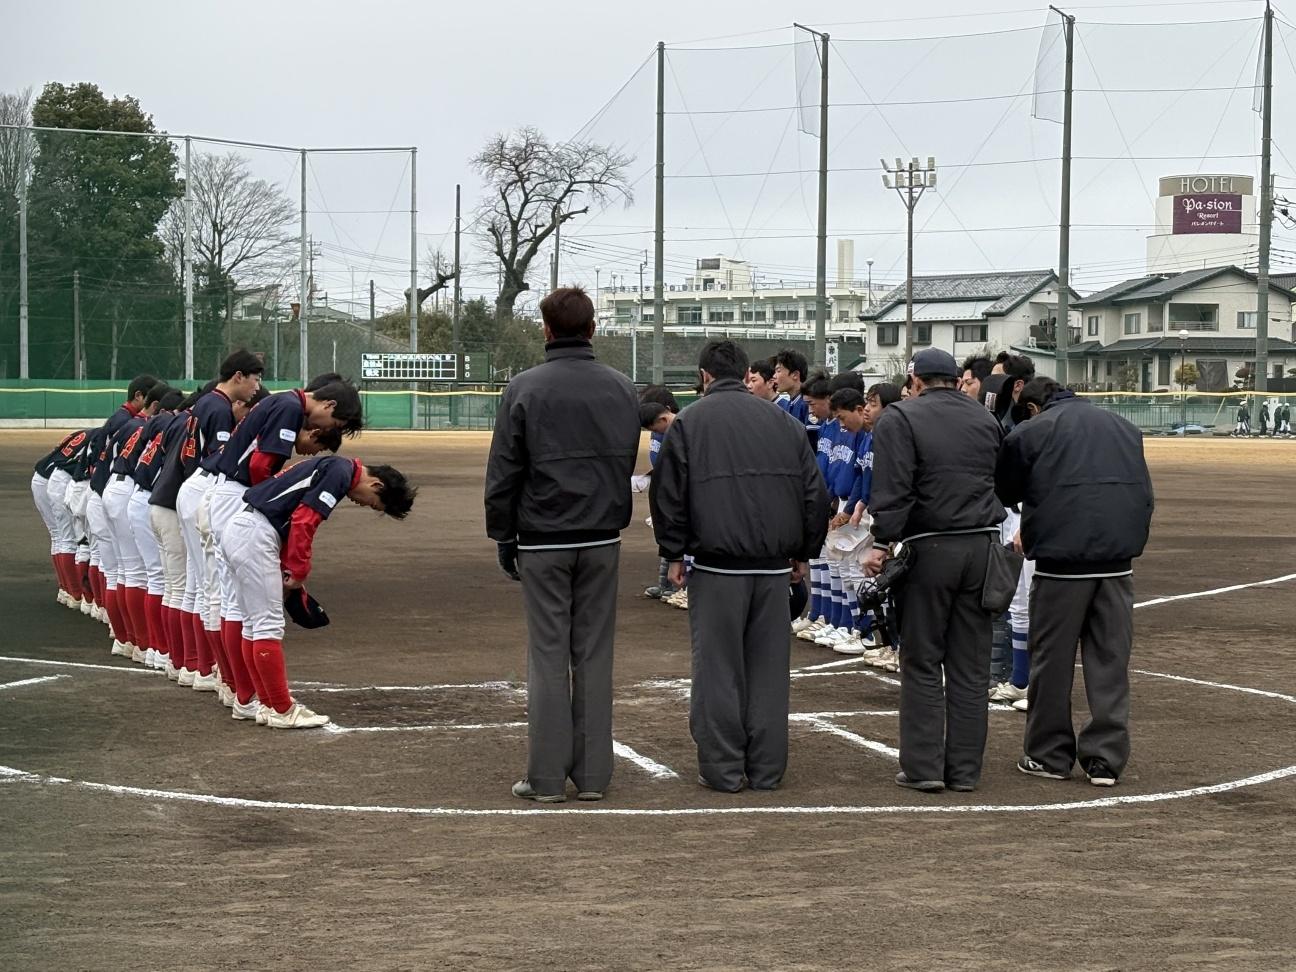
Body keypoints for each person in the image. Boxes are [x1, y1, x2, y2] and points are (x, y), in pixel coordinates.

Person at [485, 286, 640, 804]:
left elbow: (504, 470)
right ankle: (594, 776)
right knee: (594, 654)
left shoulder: (524, 388)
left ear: (546, 330)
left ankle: (547, 778)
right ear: (593, 328)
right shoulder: (621, 387)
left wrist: (504, 534)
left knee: (548, 654)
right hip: (601, 537)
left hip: (543, 538)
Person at [651, 340, 829, 793]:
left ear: (705, 376)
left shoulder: (691, 422)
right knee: (769, 671)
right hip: (772, 567)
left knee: (717, 668)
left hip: (716, 566)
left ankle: (724, 768)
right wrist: (804, 553)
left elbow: (668, 495)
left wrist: (672, 552)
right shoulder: (783, 422)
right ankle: (767, 769)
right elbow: (814, 493)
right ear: (746, 372)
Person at [996, 377, 1154, 787]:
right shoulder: (1123, 426)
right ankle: (1105, 759)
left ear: (1031, 407)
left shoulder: (1032, 430)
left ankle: (1049, 755)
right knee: (1110, 662)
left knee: (1051, 662)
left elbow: (1006, 490)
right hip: (1118, 564)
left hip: (1061, 565)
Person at [866, 348, 1005, 793]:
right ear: (955, 378)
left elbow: (893, 488)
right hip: (982, 546)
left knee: (923, 659)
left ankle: (925, 767)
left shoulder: (901, 418)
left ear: (917, 380)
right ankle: (965, 771)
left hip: (929, 547)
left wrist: (883, 543)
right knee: (970, 665)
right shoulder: (985, 418)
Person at [201, 378, 363, 709]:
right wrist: (272, 494)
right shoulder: (290, 407)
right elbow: (261, 465)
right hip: (236, 494)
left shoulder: (281, 401)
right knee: (241, 608)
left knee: (230, 601)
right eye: (336, 423)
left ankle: (237, 689)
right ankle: (246, 695)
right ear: (329, 406)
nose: (331, 428)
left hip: (224, 491)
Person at [222, 456, 415, 727]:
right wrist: (298, 570)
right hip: (256, 534)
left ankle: (264, 704)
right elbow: (304, 520)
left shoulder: (334, 466)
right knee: (266, 625)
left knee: (254, 625)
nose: (362, 504)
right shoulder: (340, 472)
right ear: (376, 483)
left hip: (244, 529)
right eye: (373, 502)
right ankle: (281, 709)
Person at [152, 351, 263, 688]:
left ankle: (190, 664)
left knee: (192, 587)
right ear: (239, 376)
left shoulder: (204, 403)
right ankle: (204, 668)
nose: (257, 386)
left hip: (184, 490)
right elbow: (221, 459)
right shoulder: (218, 408)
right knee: (211, 589)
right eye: (255, 378)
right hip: (203, 489)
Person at [773, 348, 819, 448]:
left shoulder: (807, 403)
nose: (774, 376)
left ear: (795, 375)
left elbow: (811, 442)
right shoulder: (792, 402)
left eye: (778, 371)